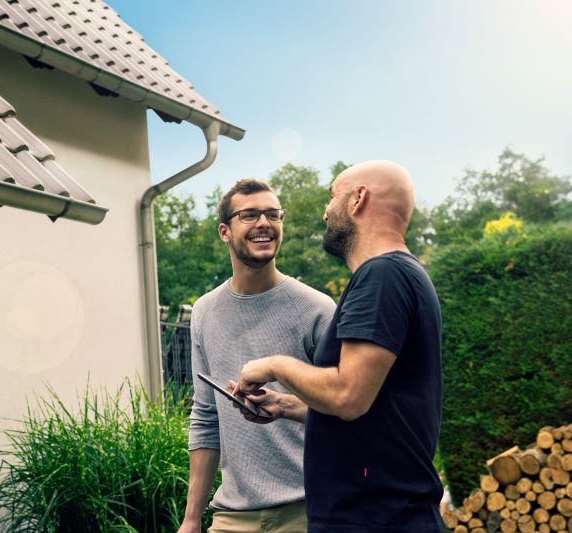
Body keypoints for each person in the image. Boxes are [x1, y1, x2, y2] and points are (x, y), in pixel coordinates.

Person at [234, 161, 444, 532]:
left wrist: (274, 365)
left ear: (358, 199)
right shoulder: (402, 275)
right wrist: (283, 405)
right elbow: (377, 410)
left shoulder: (382, 275)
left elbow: (348, 396)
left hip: (375, 519)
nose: (324, 211)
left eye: (333, 196)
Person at [179, 179, 336, 533]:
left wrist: (286, 406)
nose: (264, 222)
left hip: (307, 511)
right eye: (249, 215)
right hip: (232, 516)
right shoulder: (204, 312)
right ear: (225, 231)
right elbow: (205, 419)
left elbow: (347, 410)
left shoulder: (316, 309)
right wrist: (191, 520)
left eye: (273, 214)